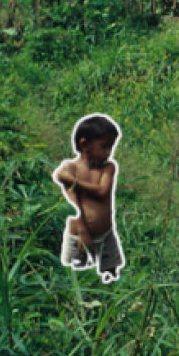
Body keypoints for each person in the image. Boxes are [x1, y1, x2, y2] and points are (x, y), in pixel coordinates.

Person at [53, 113, 124, 283]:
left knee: (111, 273)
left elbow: (101, 191)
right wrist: (84, 232)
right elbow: (74, 206)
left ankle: (109, 301)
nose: (108, 153)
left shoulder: (108, 168)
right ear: (84, 144)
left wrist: (74, 182)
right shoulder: (71, 168)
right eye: (104, 147)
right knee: (74, 276)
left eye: (111, 148)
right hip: (78, 235)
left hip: (106, 234)